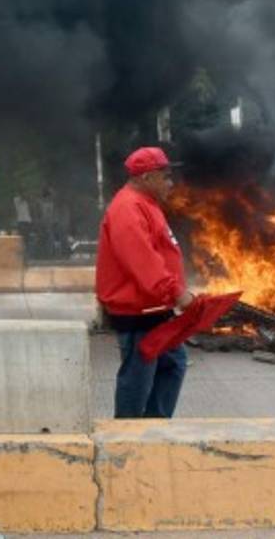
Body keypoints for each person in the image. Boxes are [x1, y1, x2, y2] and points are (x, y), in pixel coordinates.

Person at [96, 146, 194, 419]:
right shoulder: (128, 209)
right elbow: (143, 262)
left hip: (155, 309)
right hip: (139, 312)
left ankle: (154, 429)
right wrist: (176, 292)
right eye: (166, 176)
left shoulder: (145, 204)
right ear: (148, 177)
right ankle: (127, 435)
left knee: (174, 365)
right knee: (137, 378)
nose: (170, 183)